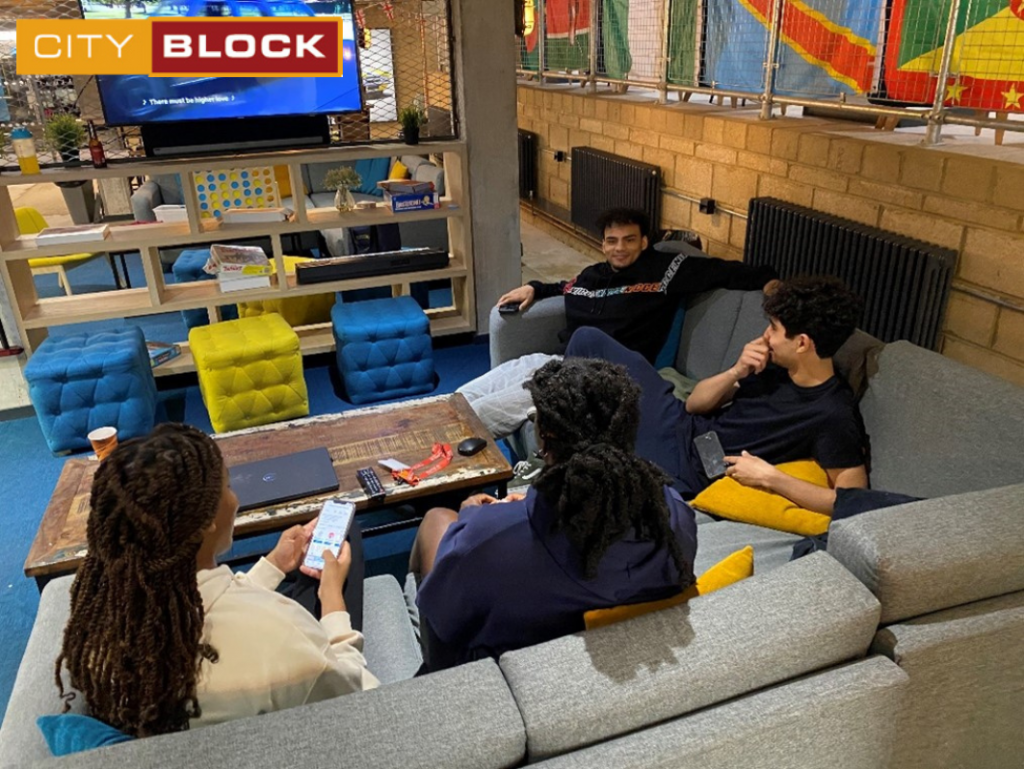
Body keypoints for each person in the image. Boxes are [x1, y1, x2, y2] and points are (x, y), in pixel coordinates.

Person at [55, 423, 377, 738]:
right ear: (207, 521)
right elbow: (353, 694)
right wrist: (333, 598)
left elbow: (208, 603)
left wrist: (273, 566)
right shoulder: (283, 635)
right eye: (229, 485)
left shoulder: (108, 618)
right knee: (350, 540)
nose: (235, 499)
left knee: (312, 570)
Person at [411, 358, 698, 671]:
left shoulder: (482, 539)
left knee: (437, 519)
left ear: (544, 438)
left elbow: (449, 622)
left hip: (502, 670)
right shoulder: (672, 512)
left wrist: (471, 520)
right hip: (604, 656)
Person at [459, 207, 778, 438]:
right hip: (559, 362)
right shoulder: (594, 274)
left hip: (602, 379)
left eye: (629, 240)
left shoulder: (666, 271)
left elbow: (730, 271)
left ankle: (436, 469)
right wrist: (535, 288)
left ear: (643, 242)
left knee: (482, 415)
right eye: (612, 241)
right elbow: (567, 286)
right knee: (461, 398)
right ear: (603, 243)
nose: (620, 248)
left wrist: (770, 284)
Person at [564, 276, 868, 514]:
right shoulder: (773, 366)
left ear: (802, 343)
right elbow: (695, 404)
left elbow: (851, 500)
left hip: (690, 469)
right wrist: (737, 370)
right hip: (681, 423)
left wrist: (771, 477)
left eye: (773, 329)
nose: (765, 336)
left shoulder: (832, 413)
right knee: (588, 340)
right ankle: (566, 438)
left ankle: (574, 453)